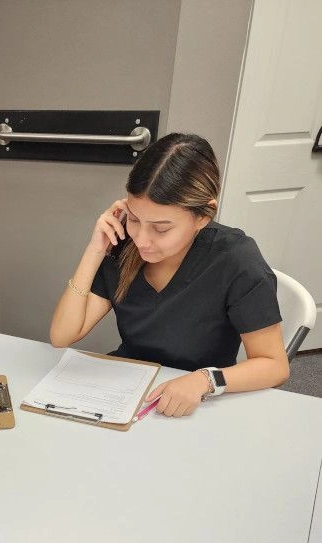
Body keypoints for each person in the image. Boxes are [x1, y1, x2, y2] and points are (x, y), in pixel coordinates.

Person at [50, 133, 289, 418]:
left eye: (161, 229)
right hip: (127, 390)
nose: (142, 240)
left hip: (198, 399)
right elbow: (62, 335)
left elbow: (275, 365)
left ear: (204, 215)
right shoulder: (123, 244)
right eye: (136, 219)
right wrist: (95, 249)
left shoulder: (237, 261)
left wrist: (206, 381)